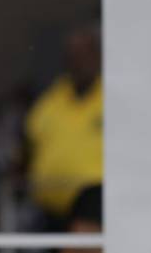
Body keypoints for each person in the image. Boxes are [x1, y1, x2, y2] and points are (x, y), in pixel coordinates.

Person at [24, 25, 103, 229]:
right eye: (73, 55)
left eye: (84, 54)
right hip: (52, 209)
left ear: (97, 56)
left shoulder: (109, 97)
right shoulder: (52, 99)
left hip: (95, 211)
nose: (78, 62)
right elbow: (29, 142)